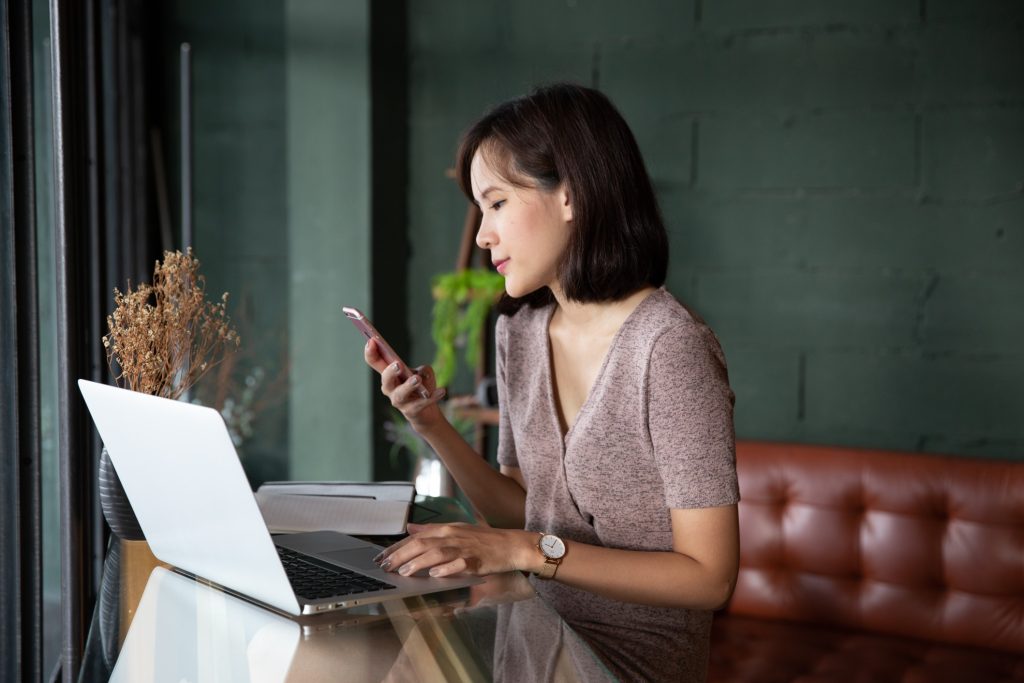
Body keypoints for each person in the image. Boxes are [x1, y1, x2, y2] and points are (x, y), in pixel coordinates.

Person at [364, 83, 739, 682]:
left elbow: (710, 576)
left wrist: (524, 552)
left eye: (497, 203)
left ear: (570, 195)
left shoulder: (669, 347)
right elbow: (521, 513)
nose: (484, 234)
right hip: (530, 638)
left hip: (626, 667)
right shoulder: (519, 331)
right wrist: (430, 423)